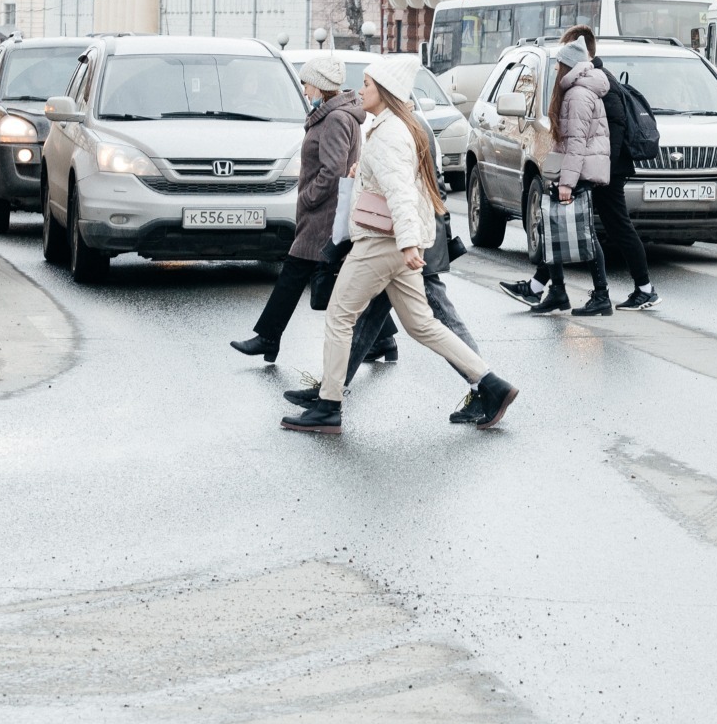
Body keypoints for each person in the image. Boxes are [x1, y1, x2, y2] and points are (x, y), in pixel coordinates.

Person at [281, 56, 516, 434]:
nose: (360, 91)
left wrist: (409, 244)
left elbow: (402, 194)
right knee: (422, 324)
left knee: (340, 316)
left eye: (368, 85)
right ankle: (490, 383)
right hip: (394, 243)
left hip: (381, 242)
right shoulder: (390, 128)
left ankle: (328, 406)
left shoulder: (390, 133)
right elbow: (394, 183)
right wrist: (364, 176)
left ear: (386, 94)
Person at [502, 27, 658, 311]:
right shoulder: (590, 83)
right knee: (567, 224)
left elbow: (599, 133)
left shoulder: (591, 87)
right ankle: (546, 288)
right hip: (595, 166)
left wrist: (592, 174)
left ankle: (635, 290)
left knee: (597, 227)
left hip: (603, 169)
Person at [231, 54, 365, 362]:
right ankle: (383, 339)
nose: (305, 91)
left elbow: (332, 170)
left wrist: (307, 198)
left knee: (294, 272)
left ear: (319, 86)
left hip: (323, 214)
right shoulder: (337, 115)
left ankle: (268, 337)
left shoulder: (334, 119)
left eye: (306, 84)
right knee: (344, 279)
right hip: (326, 212)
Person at [521, 36, 615, 316]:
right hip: (579, 169)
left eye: (559, 64)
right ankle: (555, 290)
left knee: (582, 233)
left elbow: (576, 143)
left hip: (580, 171)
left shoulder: (577, 95)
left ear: (568, 66)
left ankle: (599, 296)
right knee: (557, 228)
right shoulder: (579, 90)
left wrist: (567, 184)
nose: (555, 69)